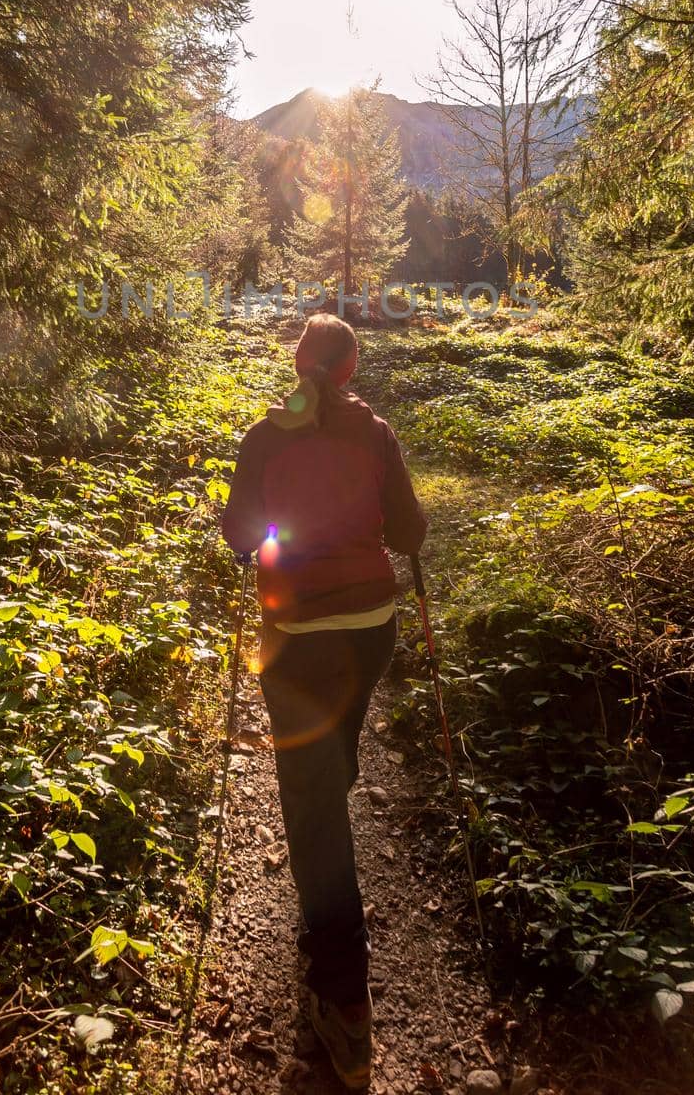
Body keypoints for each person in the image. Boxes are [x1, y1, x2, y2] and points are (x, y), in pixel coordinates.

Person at [221, 313, 428, 1090]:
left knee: (312, 799)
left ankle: (341, 996)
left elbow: (241, 532)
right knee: (328, 770)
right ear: (347, 372)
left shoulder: (264, 435)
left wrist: (272, 542)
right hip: (370, 629)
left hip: (297, 633)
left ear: (300, 364)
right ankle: (327, 885)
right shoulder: (376, 433)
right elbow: (408, 532)